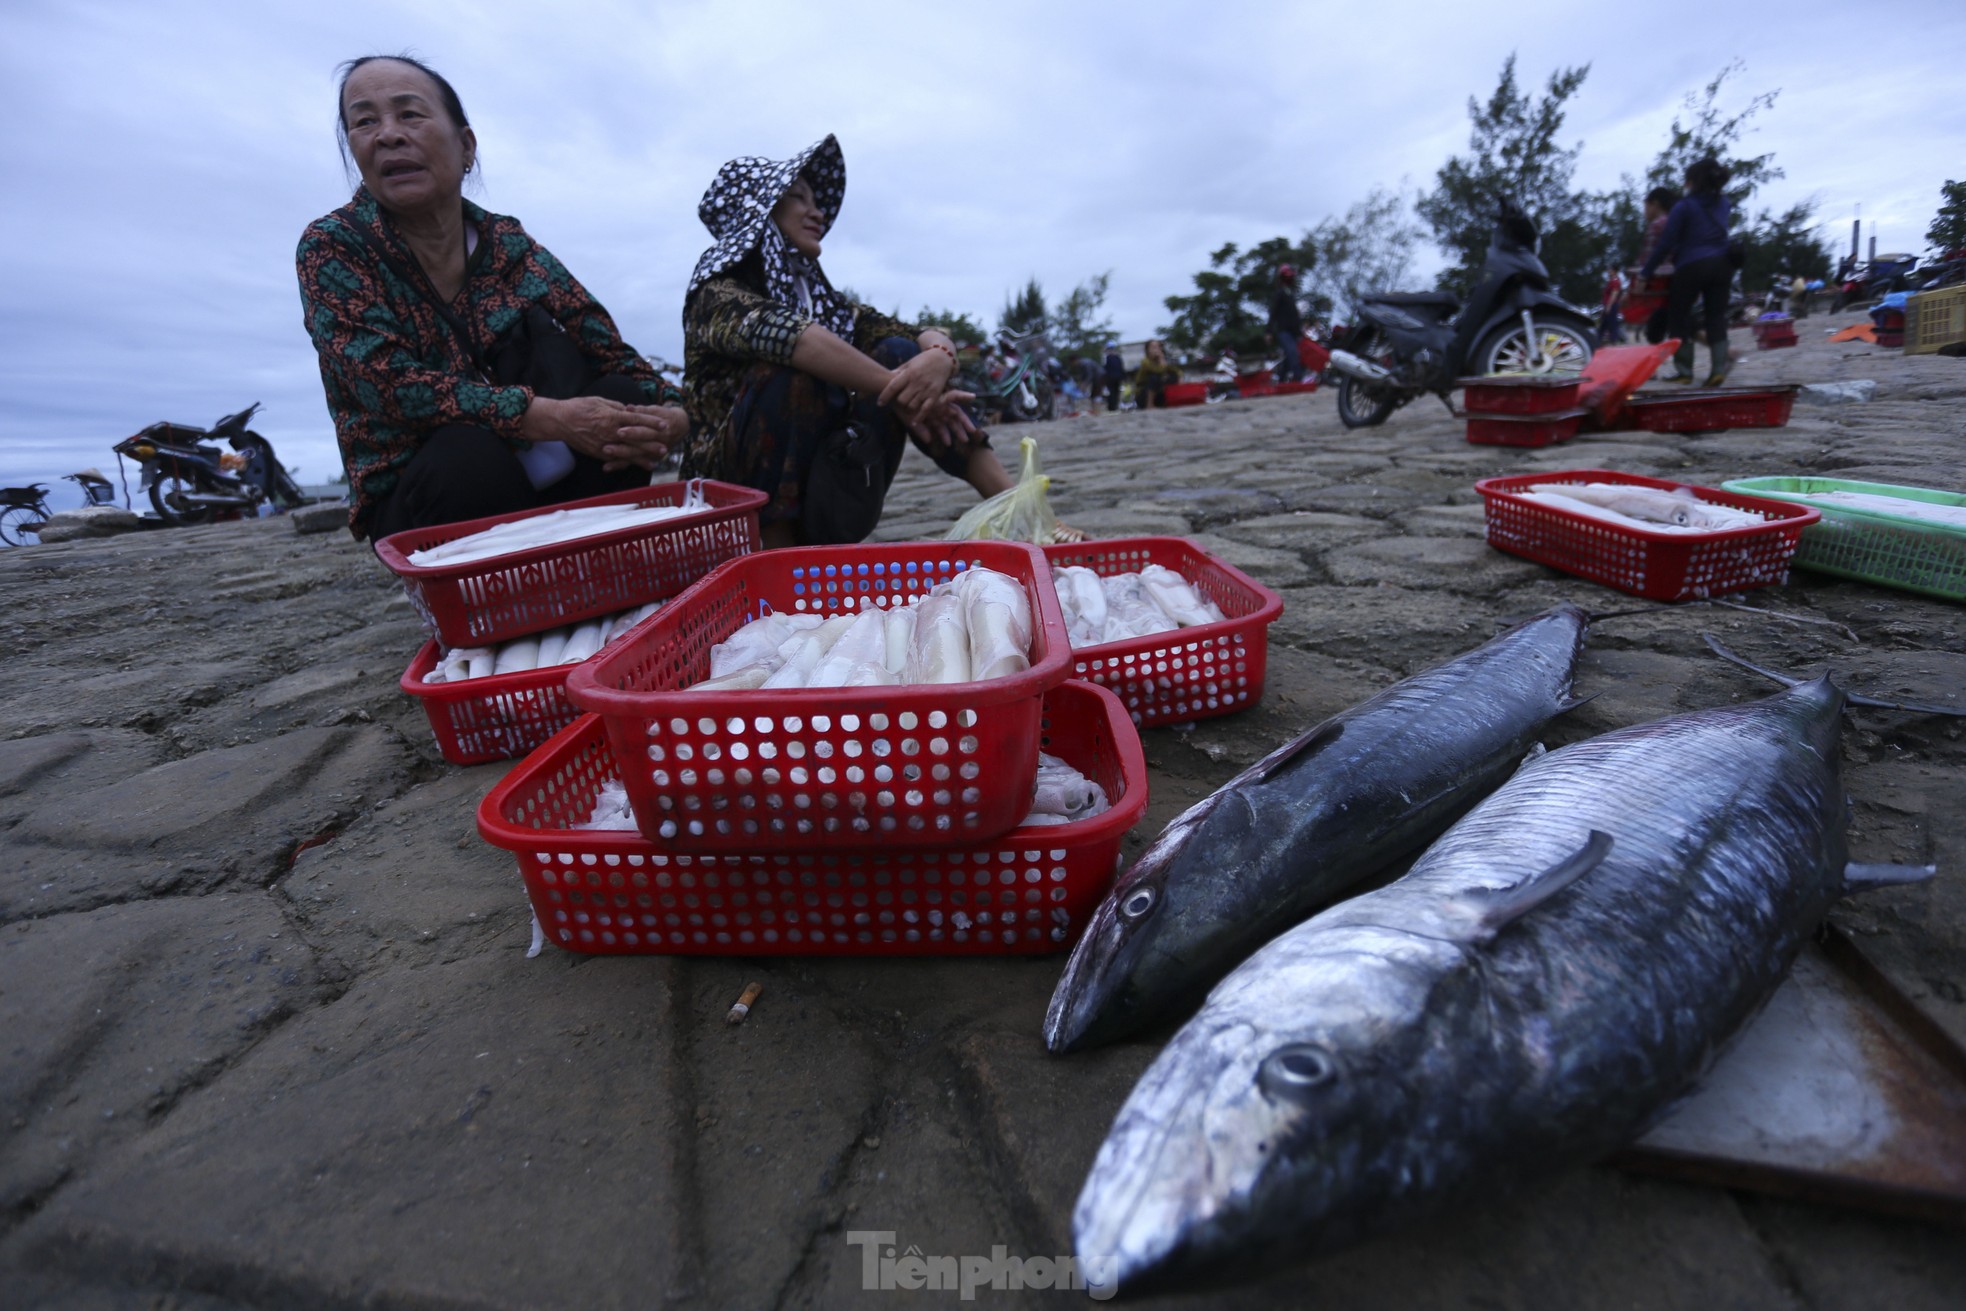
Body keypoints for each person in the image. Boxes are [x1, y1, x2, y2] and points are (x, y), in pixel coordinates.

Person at [297, 56, 686, 541]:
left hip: (547, 476)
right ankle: (503, 604)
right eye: (364, 122)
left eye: (410, 114)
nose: (388, 135)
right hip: (429, 494)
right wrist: (550, 417)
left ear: (465, 146)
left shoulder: (509, 246)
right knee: (467, 454)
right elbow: (390, 386)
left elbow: (612, 352)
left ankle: (593, 564)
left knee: (624, 401)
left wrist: (673, 414)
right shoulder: (334, 247)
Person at [680, 136, 1029, 548]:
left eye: (816, 201)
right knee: (794, 373)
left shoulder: (823, 301)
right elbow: (795, 340)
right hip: (732, 516)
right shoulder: (717, 293)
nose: (817, 212)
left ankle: (1025, 515)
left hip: (830, 497)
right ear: (761, 210)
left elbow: (909, 333)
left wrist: (938, 356)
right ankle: (777, 560)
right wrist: (905, 389)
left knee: (900, 357)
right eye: (798, 198)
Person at [1643, 159, 1735, 385]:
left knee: (1678, 316)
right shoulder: (1724, 203)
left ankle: (1685, 373)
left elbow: (1666, 244)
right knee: (1716, 317)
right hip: (1723, 264)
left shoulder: (1684, 206)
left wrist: (1647, 272)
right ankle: (1717, 371)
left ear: (1691, 182)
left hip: (1692, 265)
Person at [1632, 186, 1679, 346]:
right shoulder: (1675, 222)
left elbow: (1649, 257)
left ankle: (1652, 369)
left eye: (1646, 206)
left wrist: (1641, 277)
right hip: (1677, 279)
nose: (1644, 211)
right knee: (1677, 323)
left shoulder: (1656, 225)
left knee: (1655, 330)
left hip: (1660, 284)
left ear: (1655, 204)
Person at [1269, 265, 1306, 383]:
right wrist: (1268, 331)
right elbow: (1273, 313)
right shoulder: (1280, 294)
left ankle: (1281, 381)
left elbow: (1294, 316)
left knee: (1289, 358)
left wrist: (1300, 331)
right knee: (1292, 354)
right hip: (1283, 331)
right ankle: (1298, 380)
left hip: (1293, 332)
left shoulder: (1290, 294)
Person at [1133, 340, 1181, 410]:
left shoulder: (1163, 361)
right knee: (1154, 377)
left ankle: (1174, 400)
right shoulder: (1145, 362)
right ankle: (1149, 405)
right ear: (1148, 350)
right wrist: (1161, 360)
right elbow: (1158, 370)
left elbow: (1177, 371)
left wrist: (1178, 376)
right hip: (1143, 394)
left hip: (1158, 394)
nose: (1157, 349)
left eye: (1158, 347)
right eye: (1153, 347)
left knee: (1172, 376)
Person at [1102, 342, 1126, 412]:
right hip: (1112, 378)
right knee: (1113, 392)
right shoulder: (1114, 358)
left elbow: (1121, 368)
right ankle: (1113, 407)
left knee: (1114, 392)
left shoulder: (1110, 358)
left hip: (1113, 378)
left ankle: (1113, 407)